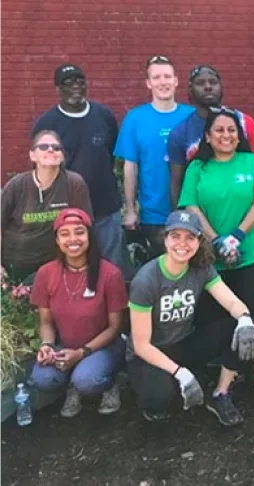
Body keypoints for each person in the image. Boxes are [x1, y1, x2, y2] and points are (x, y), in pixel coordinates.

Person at [178, 106, 254, 405]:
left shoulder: (252, 162)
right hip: (210, 259)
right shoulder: (197, 168)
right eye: (219, 130)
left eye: (231, 130)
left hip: (248, 256)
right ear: (207, 136)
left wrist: (238, 236)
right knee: (218, 318)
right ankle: (228, 375)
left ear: (239, 135)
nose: (226, 135)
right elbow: (191, 207)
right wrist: (217, 240)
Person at [127, 209, 254, 426]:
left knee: (243, 329)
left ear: (199, 241)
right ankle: (176, 379)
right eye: (176, 236)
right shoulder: (146, 279)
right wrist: (180, 374)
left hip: (183, 343)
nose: (183, 244)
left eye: (190, 237)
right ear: (166, 239)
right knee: (159, 400)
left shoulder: (201, 268)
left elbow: (231, 301)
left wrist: (245, 320)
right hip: (150, 352)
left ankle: (220, 393)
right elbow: (142, 345)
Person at [32, 64, 130, 277]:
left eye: (80, 81)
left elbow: (112, 153)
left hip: (106, 207)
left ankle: (112, 309)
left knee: (111, 268)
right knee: (72, 267)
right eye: (68, 83)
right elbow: (41, 165)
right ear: (58, 89)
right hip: (67, 210)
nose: (75, 86)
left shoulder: (104, 116)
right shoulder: (47, 122)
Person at [29, 208, 127, 417]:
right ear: (56, 240)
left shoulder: (110, 273)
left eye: (79, 232)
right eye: (65, 234)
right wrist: (47, 346)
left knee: (88, 380)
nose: (73, 239)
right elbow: (45, 321)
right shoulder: (46, 273)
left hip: (102, 346)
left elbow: (115, 326)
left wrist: (82, 353)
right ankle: (72, 383)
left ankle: (110, 383)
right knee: (42, 379)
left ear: (89, 236)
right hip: (64, 345)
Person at [115, 55, 195, 259]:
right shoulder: (135, 119)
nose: (163, 82)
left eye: (167, 76)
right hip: (154, 213)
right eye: (156, 77)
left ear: (176, 80)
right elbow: (130, 167)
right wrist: (131, 210)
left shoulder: (192, 116)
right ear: (148, 83)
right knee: (159, 272)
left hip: (193, 209)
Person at [0, 131, 92, 282]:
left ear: (62, 156)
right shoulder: (16, 186)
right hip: (14, 266)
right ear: (32, 155)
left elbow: (85, 227)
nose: (50, 150)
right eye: (43, 146)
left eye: (56, 148)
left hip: (54, 268)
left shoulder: (74, 184)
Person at [168, 65, 254, 207]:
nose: (208, 87)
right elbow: (176, 183)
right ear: (190, 90)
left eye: (213, 82)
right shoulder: (180, 133)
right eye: (200, 83)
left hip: (243, 211)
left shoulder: (245, 123)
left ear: (221, 87)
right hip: (200, 214)